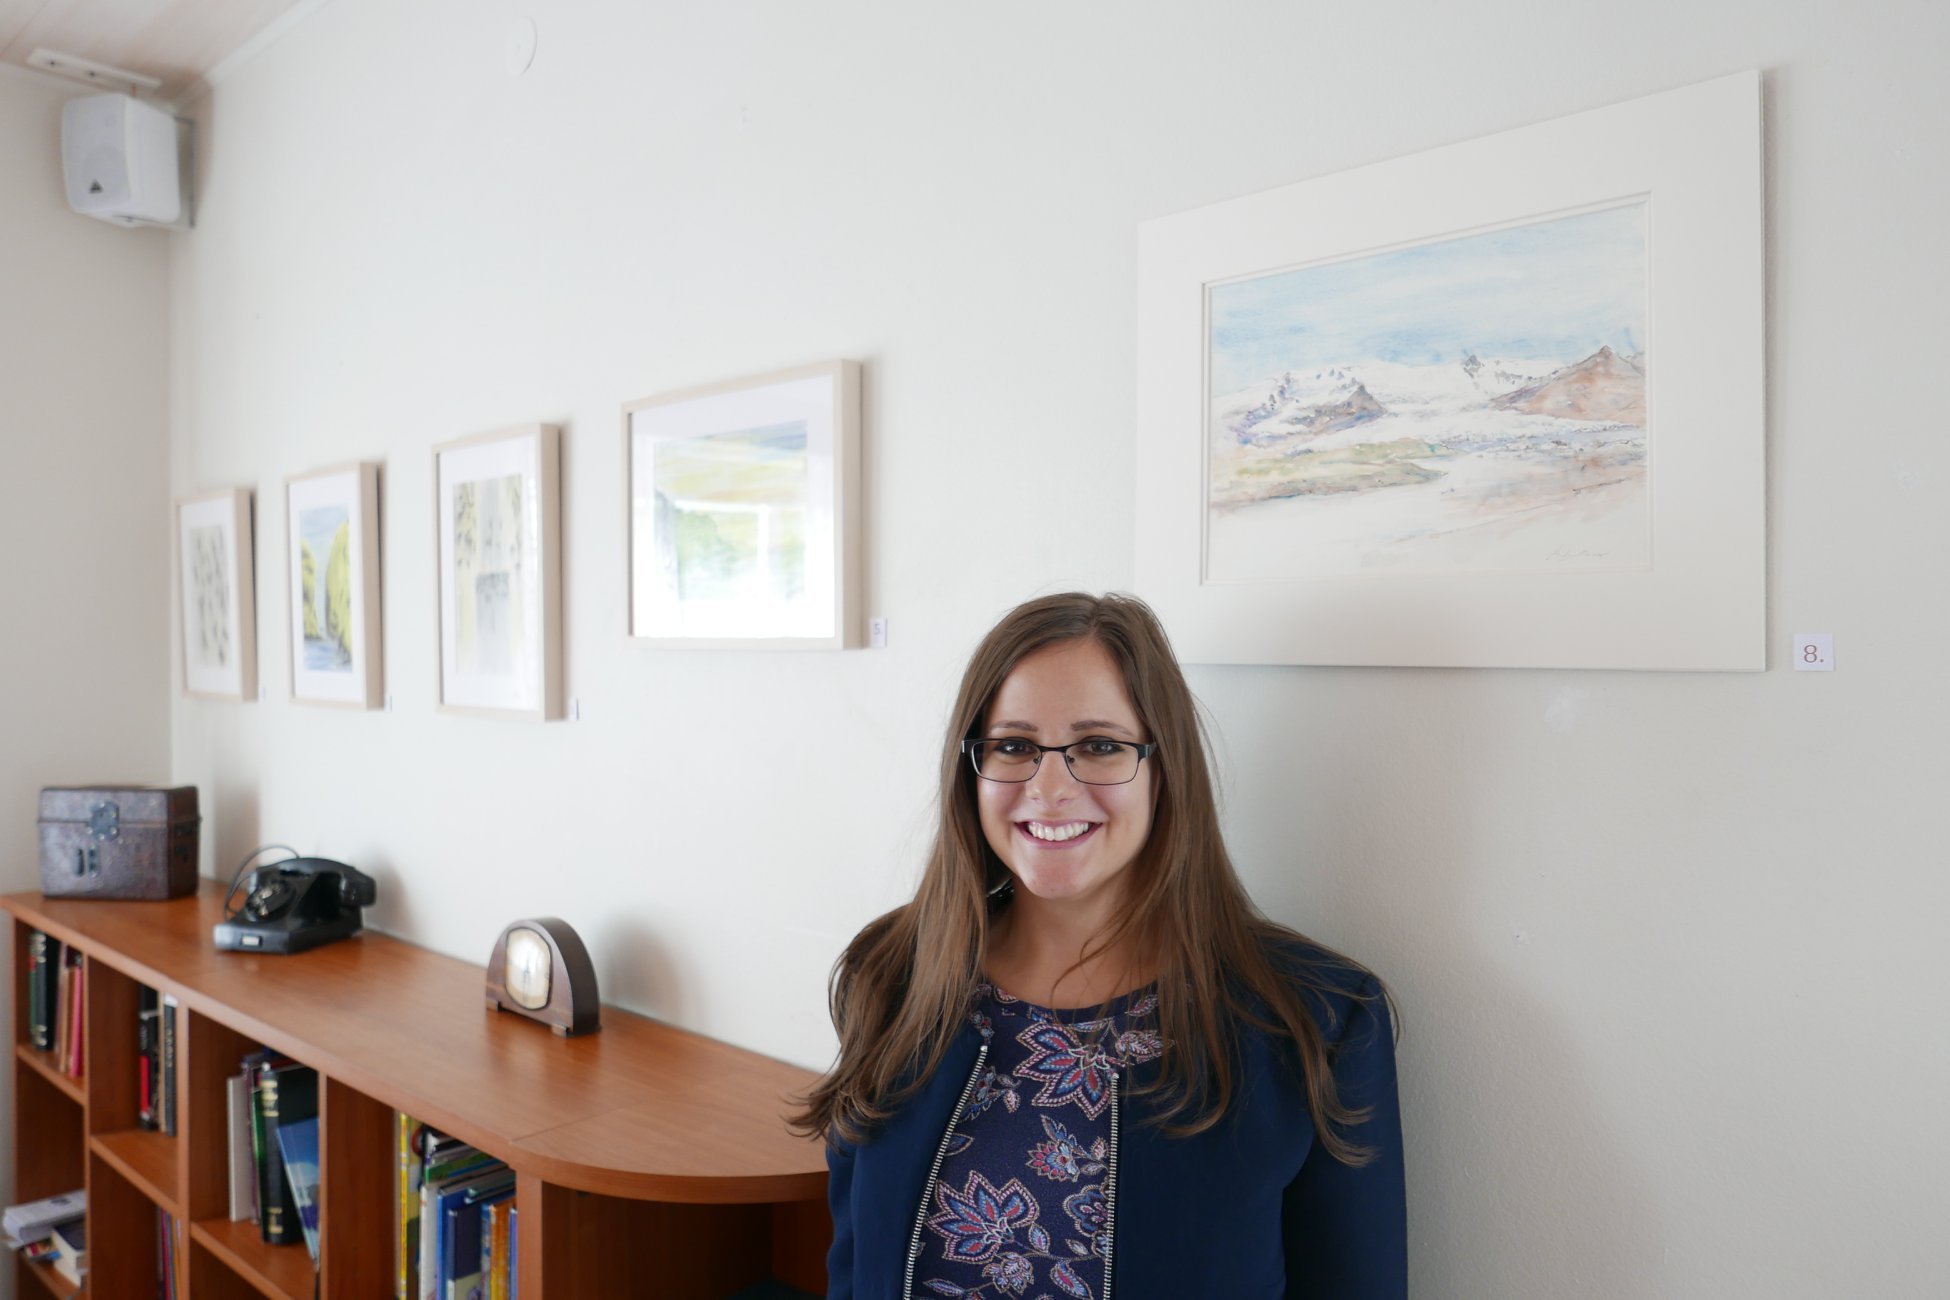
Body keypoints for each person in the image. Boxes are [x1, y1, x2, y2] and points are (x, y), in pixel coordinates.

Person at [798, 592, 1406, 1298]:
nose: (1050, 787)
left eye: (1100, 746)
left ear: (1164, 769)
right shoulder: (890, 972)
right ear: (971, 769)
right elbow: (852, 1270)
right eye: (1014, 746)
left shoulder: (1318, 1019)